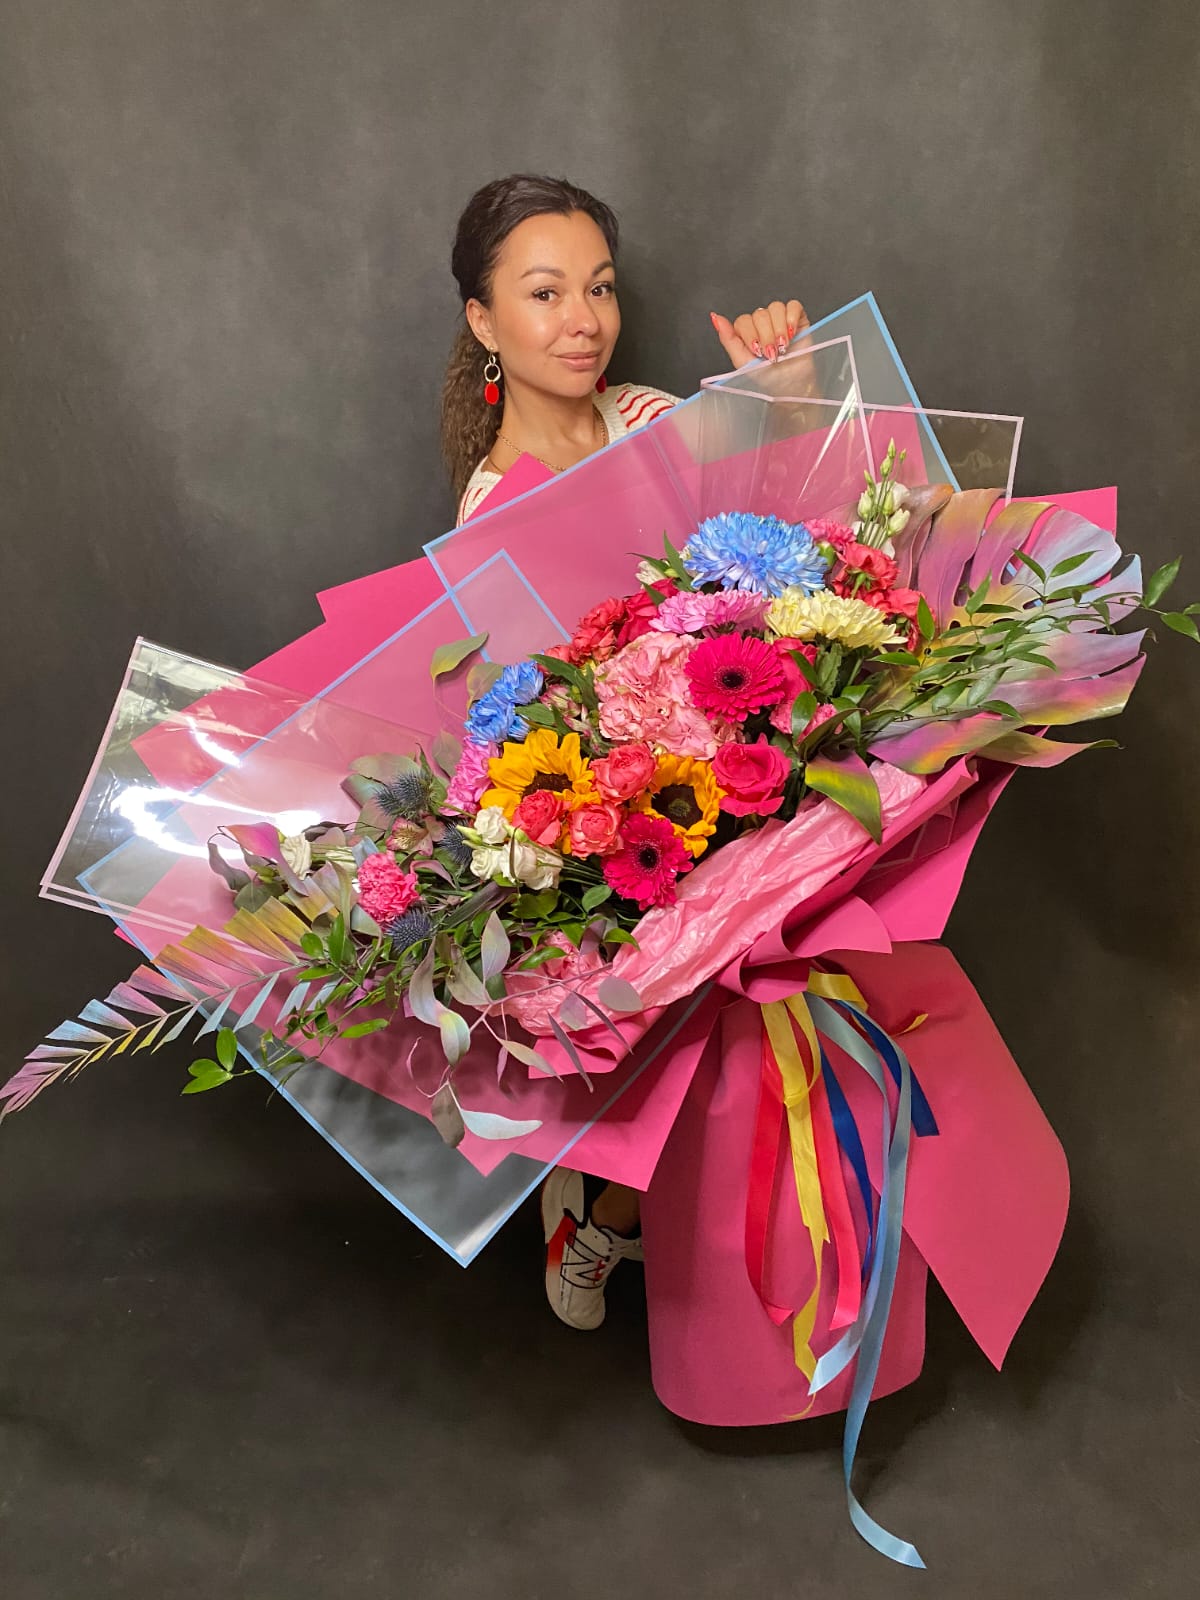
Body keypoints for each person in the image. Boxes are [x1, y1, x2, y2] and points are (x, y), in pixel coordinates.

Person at [440, 172, 809, 1331]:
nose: (583, 320)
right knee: (703, 1007)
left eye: (598, 288)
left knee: (787, 981)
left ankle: (679, 1227)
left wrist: (779, 398)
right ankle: (600, 1216)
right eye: (545, 293)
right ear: (484, 320)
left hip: (735, 759)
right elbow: (541, 716)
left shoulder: (652, 416)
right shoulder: (495, 509)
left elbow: (774, 541)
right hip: (620, 820)